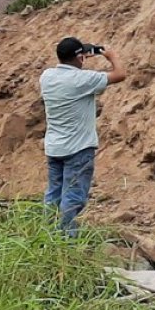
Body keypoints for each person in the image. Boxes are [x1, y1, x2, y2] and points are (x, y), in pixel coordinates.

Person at [39, 37, 127, 235]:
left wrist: (79, 55)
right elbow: (120, 74)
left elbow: (70, 66)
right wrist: (111, 56)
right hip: (77, 149)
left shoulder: (46, 76)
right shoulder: (83, 79)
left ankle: (47, 236)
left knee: (53, 194)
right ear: (80, 57)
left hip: (54, 147)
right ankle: (67, 241)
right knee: (73, 197)